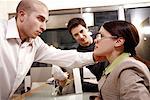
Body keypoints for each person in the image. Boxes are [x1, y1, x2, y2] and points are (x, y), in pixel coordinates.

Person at [0, 0, 99, 99]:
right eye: (40, 19)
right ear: (22, 15)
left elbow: (62, 56)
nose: (44, 27)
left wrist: (95, 56)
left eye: (45, 22)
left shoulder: (36, 43)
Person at [92, 20, 150, 100]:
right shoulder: (116, 66)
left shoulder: (128, 70)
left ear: (118, 42)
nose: (95, 40)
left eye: (101, 36)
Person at [67, 17, 108, 92]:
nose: (81, 36)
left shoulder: (101, 39)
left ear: (87, 29)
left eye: (82, 31)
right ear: (73, 37)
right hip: (103, 85)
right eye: (76, 35)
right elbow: (79, 83)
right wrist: (101, 87)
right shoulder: (78, 55)